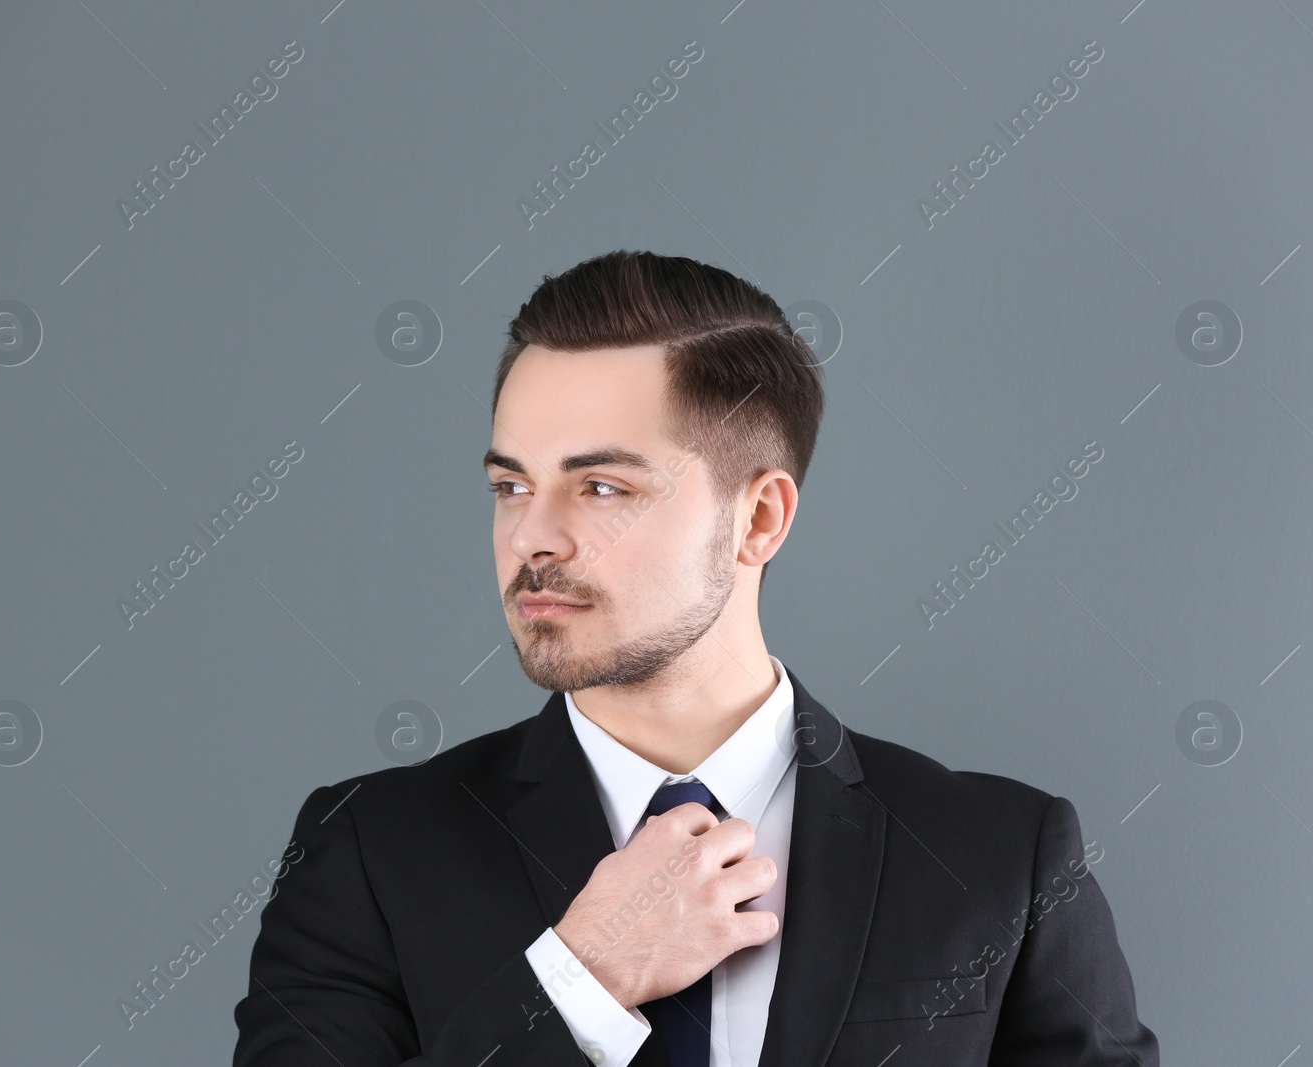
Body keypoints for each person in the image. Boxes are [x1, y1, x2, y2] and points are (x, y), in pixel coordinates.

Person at [232, 250, 1160, 1066]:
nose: (532, 537)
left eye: (601, 486)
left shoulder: (1002, 856)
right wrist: (581, 982)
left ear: (758, 518)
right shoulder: (368, 848)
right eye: (511, 485)